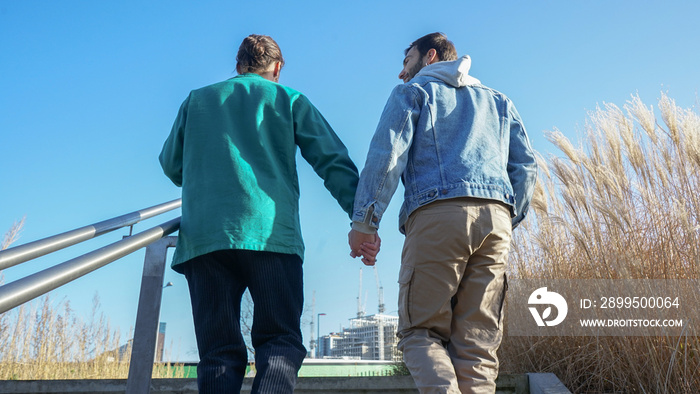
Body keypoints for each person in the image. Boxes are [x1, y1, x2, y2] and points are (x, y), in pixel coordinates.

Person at [160, 34, 378, 393]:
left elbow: (171, 167)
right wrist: (363, 224)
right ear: (277, 68)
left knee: (217, 353)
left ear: (238, 64)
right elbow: (333, 162)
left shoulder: (196, 101)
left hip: (205, 238)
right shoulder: (288, 99)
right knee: (279, 343)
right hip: (270, 236)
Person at [348, 32, 537, 393]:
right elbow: (526, 168)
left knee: (420, 332)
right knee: (477, 344)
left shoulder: (414, 92)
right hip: (495, 222)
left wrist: (365, 222)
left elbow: (387, 156)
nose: (402, 74)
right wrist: (509, 218)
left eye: (406, 63)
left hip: (438, 215)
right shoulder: (498, 101)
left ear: (429, 56)